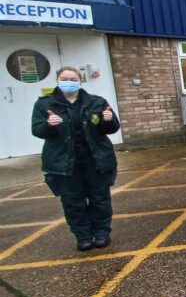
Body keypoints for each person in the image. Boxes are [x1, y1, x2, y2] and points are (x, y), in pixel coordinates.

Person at [31, 66, 120, 251]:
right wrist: (49, 125)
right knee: (73, 202)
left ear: (80, 81)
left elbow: (112, 128)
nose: (69, 82)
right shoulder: (45, 104)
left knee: (100, 199)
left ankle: (102, 233)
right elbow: (37, 130)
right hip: (64, 162)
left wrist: (108, 120)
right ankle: (83, 236)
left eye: (73, 79)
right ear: (58, 80)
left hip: (95, 160)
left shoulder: (96, 102)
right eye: (64, 79)